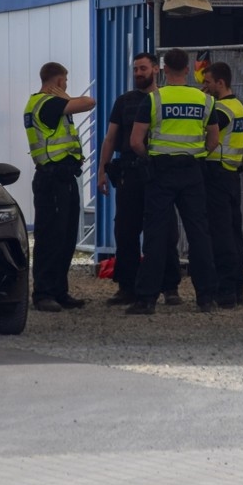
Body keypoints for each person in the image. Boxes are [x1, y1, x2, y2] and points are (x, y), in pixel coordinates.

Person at [126, 48, 220, 315]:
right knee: (199, 234)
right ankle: (206, 298)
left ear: (164, 70)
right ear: (188, 70)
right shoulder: (204, 100)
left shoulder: (154, 99)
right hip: (193, 172)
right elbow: (213, 140)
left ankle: (146, 300)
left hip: (160, 172)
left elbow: (135, 141)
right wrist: (198, 154)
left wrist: (151, 157)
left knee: (156, 235)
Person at [96, 52, 182, 307]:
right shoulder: (124, 102)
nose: (138, 74)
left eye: (143, 68)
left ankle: (170, 286)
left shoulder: (165, 99)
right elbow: (111, 137)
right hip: (130, 173)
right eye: (135, 69)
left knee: (165, 231)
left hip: (158, 173)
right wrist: (102, 169)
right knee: (126, 230)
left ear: (156, 69)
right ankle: (127, 286)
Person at [23, 61, 95, 313]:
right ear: (58, 82)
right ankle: (43, 293)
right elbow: (89, 102)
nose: (67, 87)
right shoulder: (49, 103)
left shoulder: (38, 103)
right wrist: (65, 96)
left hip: (62, 178)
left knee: (65, 238)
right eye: (65, 82)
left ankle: (59, 291)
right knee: (51, 237)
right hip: (52, 179)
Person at [201, 61, 243, 308]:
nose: (204, 87)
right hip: (231, 175)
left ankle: (226, 290)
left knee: (220, 235)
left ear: (221, 83)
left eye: (207, 82)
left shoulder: (221, 110)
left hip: (216, 174)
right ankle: (238, 288)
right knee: (234, 232)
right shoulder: (240, 107)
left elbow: (206, 136)